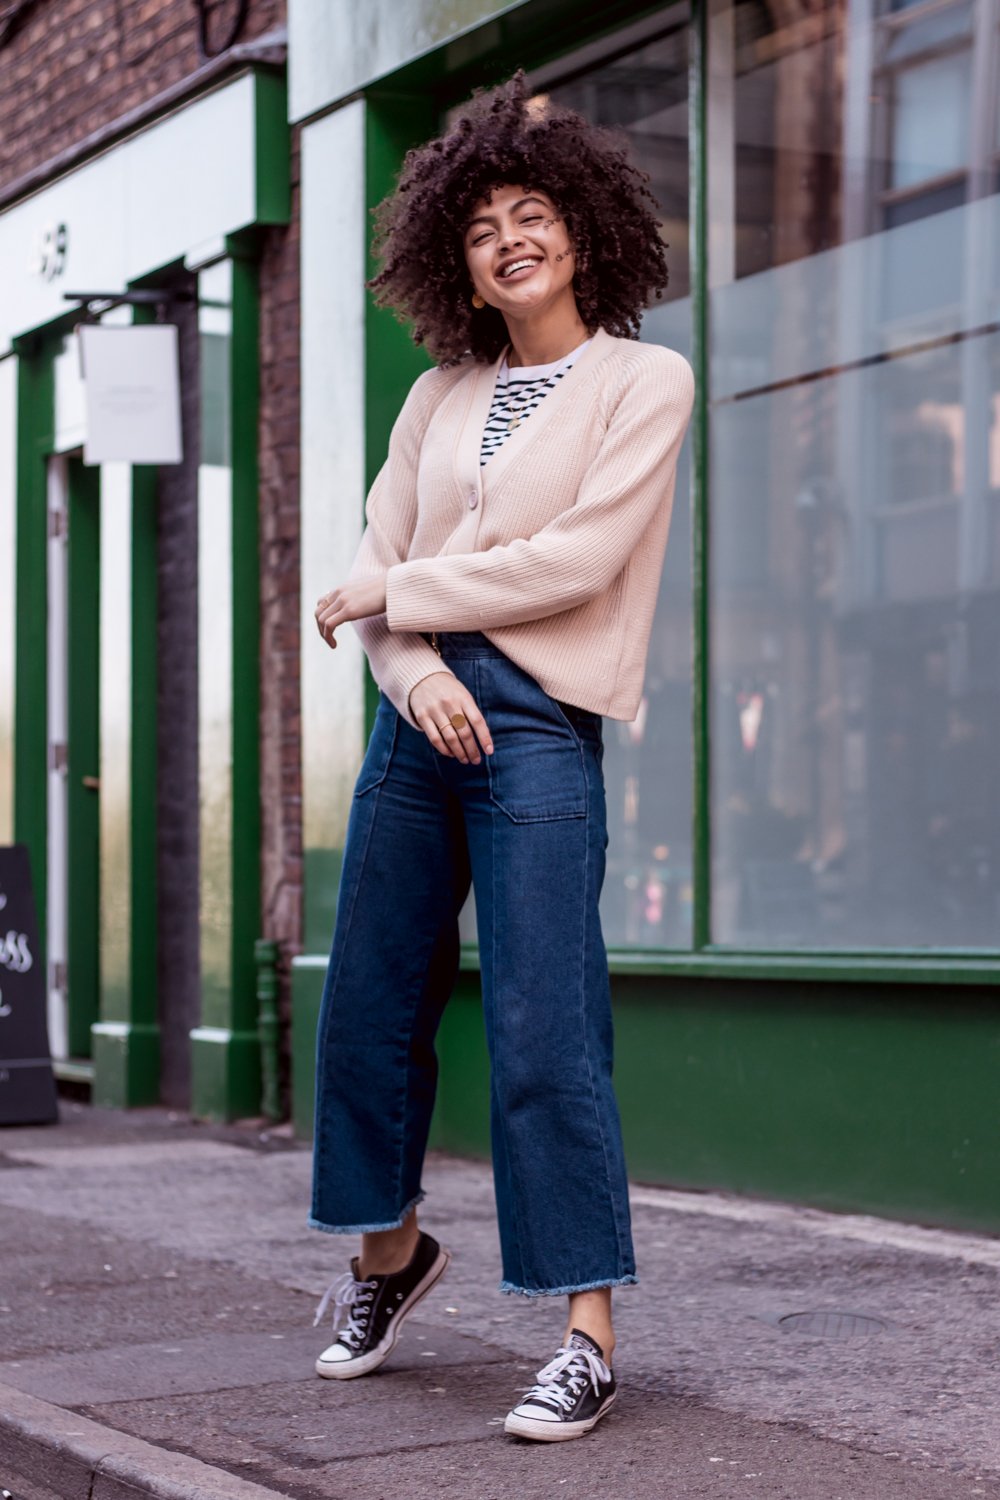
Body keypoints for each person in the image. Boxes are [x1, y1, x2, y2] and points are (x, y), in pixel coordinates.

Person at [310, 71, 694, 1442]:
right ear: (454, 259)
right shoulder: (437, 394)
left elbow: (575, 559)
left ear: (585, 231)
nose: (509, 238)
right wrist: (409, 676)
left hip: (537, 722)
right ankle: (386, 1259)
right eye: (482, 226)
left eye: (534, 213)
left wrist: (400, 606)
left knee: (544, 1025)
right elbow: (376, 555)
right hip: (419, 721)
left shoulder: (645, 379)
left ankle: (586, 1329)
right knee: (367, 1005)